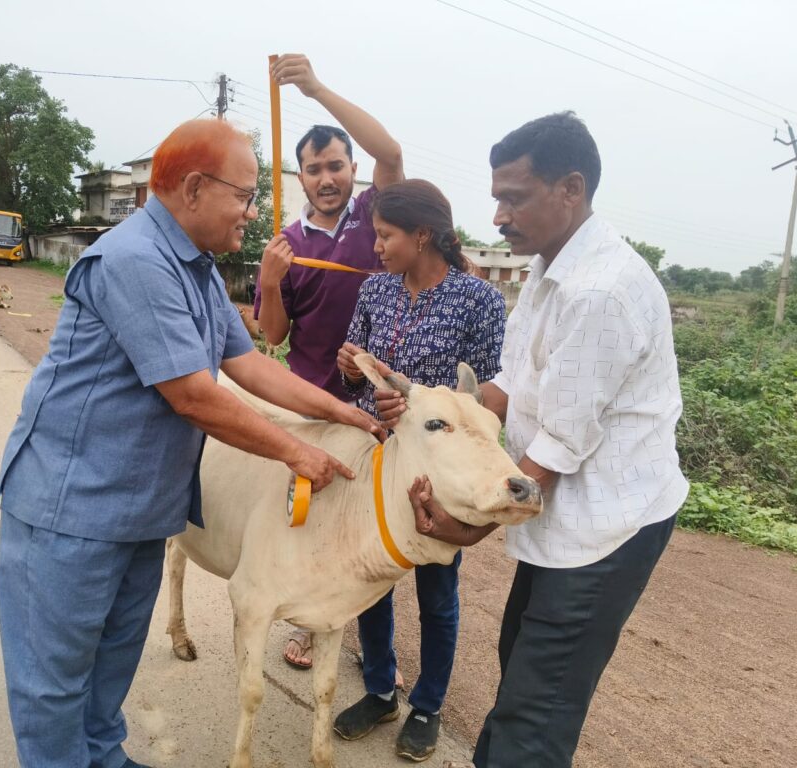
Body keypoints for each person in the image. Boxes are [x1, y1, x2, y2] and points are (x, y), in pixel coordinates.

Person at [0, 118, 384, 768]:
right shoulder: (135, 260)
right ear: (196, 188)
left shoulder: (198, 270)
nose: (253, 212)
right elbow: (195, 396)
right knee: (54, 684)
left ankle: (104, 757)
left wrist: (346, 416)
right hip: (72, 511)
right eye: (245, 194)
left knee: (111, 663)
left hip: (143, 509)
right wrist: (298, 453)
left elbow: (251, 366)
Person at [379, 112, 688, 767]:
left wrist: (468, 526)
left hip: (607, 529)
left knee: (537, 707)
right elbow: (504, 391)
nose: (497, 218)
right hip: (565, 519)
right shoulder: (548, 275)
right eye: (496, 199)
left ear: (570, 189)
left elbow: (555, 449)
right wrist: (421, 411)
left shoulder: (600, 291)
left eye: (512, 199)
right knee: (520, 664)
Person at [330, 179, 506, 761]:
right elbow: (352, 368)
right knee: (371, 580)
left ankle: (427, 704)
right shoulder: (375, 291)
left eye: (385, 235)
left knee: (437, 586)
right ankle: (380, 689)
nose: (376, 247)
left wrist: (422, 410)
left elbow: (481, 402)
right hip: (376, 457)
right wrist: (356, 373)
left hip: (436, 471)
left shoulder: (478, 301)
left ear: (422, 235)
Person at [254, 52, 405, 671]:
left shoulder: (375, 219)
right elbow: (273, 335)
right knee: (308, 513)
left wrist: (315, 89)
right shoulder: (288, 242)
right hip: (310, 398)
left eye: (336, 165)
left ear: (351, 170)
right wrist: (267, 281)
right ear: (300, 176)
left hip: (376, 401)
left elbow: (390, 153)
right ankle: (307, 625)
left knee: (372, 527)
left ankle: (372, 651)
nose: (326, 177)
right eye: (313, 169)